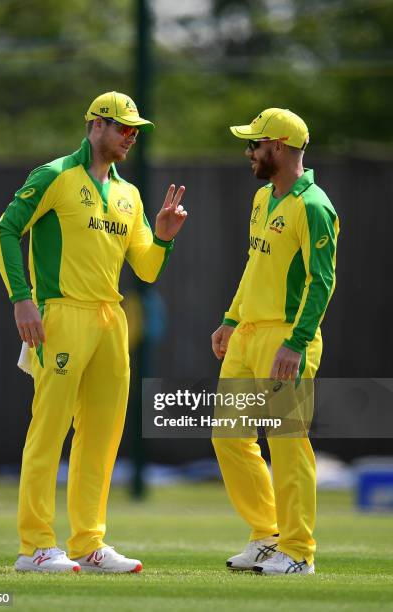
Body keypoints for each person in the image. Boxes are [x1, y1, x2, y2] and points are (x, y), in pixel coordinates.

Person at [0, 91, 187, 573]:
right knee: (49, 429)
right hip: (60, 314)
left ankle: (88, 544)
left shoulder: (129, 194)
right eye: (123, 129)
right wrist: (22, 299)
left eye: (135, 132)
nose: (130, 138)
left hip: (110, 319)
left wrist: (162, 234)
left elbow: (145, 269)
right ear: (96, 125)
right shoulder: (55, 175)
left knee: (101, 434)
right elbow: (4, 231)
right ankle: (35, 546)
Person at [211, 108, 339, 575]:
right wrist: (230, 318)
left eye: (255, 145)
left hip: (288, 338)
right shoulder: (264, 198)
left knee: (287, 442)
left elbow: (321, 282)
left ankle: (299, 551)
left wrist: (297, 342)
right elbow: (254, 265)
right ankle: (268, 535)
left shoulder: (315, 205)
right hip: (247, 335)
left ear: (279, 147)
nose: (249, 152)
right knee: (228, 436)